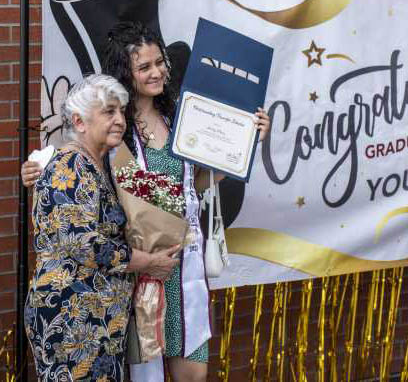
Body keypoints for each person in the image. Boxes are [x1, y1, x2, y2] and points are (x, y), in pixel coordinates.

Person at [22, 22, 271, 382]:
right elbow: (68, 162)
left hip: (181, 266)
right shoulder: (111, 127)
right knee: (146, 374)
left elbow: (194, 184)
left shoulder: (180, 118)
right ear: (127, 73)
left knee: (193, 372)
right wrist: (34, 169)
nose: (156, 72)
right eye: (144, 67)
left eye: (160, 63)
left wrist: (247, 144)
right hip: (137, 271)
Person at [24, 74, 180, 382]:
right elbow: (87, 245)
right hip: (73, 320)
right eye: (109, 112)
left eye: (121, 111)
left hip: (96, 322)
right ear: (80, 122)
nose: (120, 120)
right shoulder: (69, 167)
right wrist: (149, 262)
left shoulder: (100, 165)